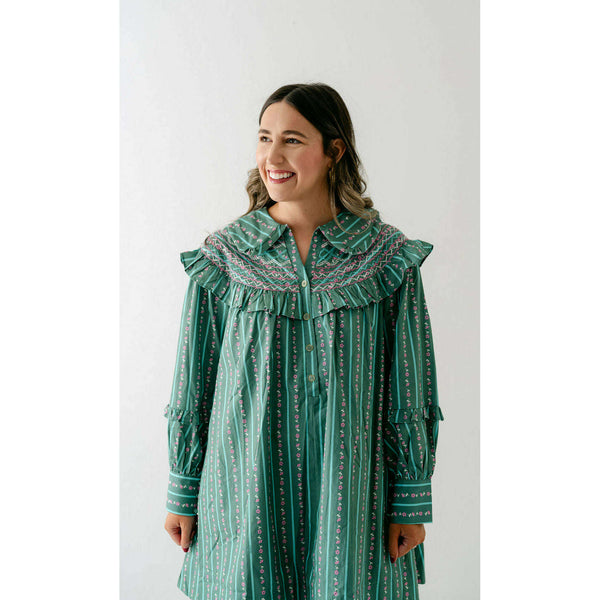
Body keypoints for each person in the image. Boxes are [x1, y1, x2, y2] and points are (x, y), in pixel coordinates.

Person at [163, 82, 444, 599]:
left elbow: (410, 387)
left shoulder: (385, 258)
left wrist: (410, 498)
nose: (272, 156)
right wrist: (183, 487)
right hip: (243, 490)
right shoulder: (225, 257)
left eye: (292, 140)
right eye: (264, 138)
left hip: (353, 498)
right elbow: (193, 383)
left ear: (333, 151)